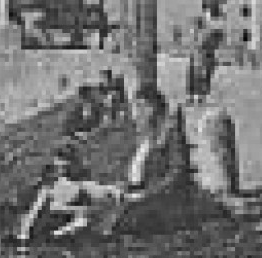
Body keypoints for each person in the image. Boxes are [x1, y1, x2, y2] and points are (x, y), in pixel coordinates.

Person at [95, 84, 193, 236]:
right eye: (136, 107)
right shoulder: (142, 139)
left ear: (155, 109)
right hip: (137, 194)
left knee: (117, 217)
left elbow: (176, 174)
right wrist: (123, 186)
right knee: (99, 203)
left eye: (142, 107)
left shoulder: (169, 136)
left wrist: (146, 193)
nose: (138, 113)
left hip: (160, 199)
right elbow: (134, 172)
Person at [15, 143, 124, 243]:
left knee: (90, 213)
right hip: (54, 222)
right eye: (58, 167)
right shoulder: (50, 186)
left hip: (72, 220)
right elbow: (41, 209)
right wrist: (23, 234)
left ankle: (61, 234)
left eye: (63, 167)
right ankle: (57, 235)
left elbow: (102, 194)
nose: (60, 170)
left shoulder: (80, 184)